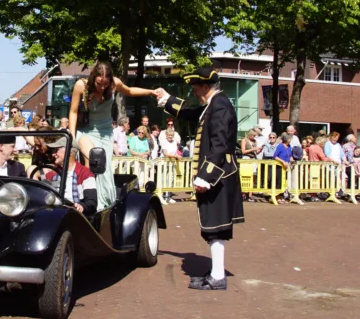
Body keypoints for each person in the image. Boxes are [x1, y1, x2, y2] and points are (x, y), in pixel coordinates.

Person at [156, 66, 244, 291]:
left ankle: (217, 277)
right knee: (214, 227)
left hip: (218, 176)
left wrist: (206, 176)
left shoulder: (220, 106)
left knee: (215, 226)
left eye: (196, 86)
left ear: (206, 86)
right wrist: (167, 99)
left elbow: (220, 144)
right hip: (218, 176)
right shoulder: (213, 105)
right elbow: (191, 112)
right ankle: (216, 273)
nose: (194, 90)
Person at [68, 62, 158, 210]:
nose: (102, 87)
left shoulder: (114, 83)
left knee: (101, 167)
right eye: (98, 83)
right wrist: (71, 136)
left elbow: (129, 90)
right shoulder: (81, 85)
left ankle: (99, 203)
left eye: (105, 83)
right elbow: (73, 112)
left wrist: (151, 92)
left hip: (105, 133)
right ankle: (86, 198)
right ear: (92, 79)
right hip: (86, 130)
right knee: (95, 158)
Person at [42, 138, 98, 215]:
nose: (53, 154)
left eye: (56, 150)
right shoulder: (52, 174)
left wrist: (82, 206)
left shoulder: (85, 173)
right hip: (54, 214)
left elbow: (92, 202)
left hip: (76, 216)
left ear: (69, 152)